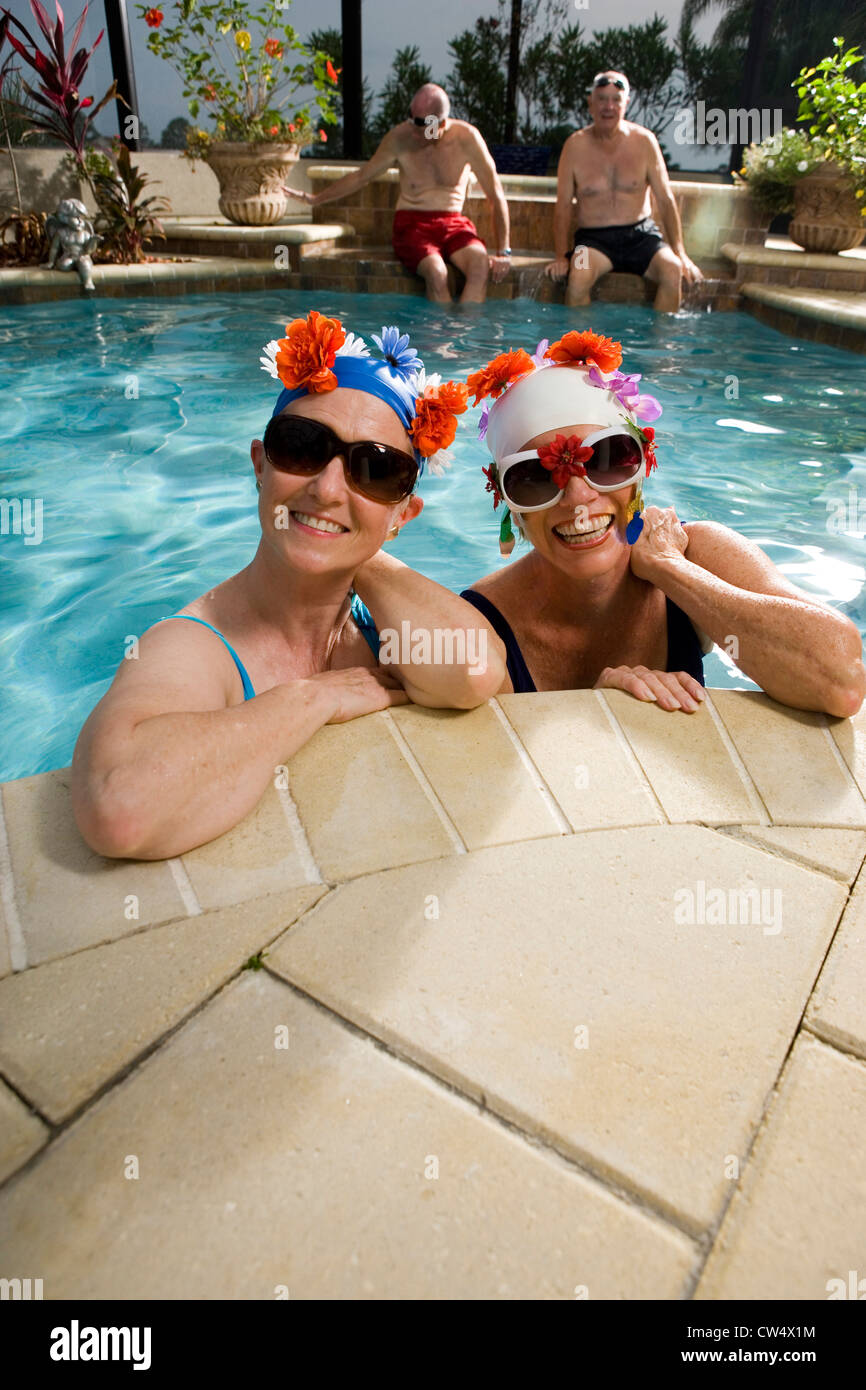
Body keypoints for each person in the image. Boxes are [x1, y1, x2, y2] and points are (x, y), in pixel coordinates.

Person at [71, 311, 505, 861]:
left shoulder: (385, 624)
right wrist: (312, 697)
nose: (326, 488)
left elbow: (475, 672)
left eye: (374, 471)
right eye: (303, 447)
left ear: (404, 515)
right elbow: (121, 809)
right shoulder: (193, 646)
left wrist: (357, 547)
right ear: (260, 464)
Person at [459, 329, 866, 716]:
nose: (580, 498)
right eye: (535, 478)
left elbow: (841, 681)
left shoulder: (694, 553)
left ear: (642, 466)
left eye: (607, 459)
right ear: (508, 504)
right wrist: (591, 715)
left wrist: (670, 569)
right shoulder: (483, 626)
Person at [285, 84, 512, 304]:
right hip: (413, 225)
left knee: (480, 265)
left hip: (453, 223)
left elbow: (496, 194)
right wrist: (315, 199)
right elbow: (361, 177)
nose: (414, 134)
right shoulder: (399, 138)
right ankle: (442, 342)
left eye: (422, 127)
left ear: (441, 123)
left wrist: (504, 251)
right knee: (437, 273)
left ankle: (465, 340)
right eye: (412, 123)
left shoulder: (467, 139)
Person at [544, 71, 703, 313]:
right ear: (591, 103)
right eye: (602, 99)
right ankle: (582, 350)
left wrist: (680, 252)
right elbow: (563, 205)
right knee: (577, 277)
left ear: (625, 103)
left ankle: (661, 350)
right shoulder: (574, 146)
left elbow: (665, 198)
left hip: (641, 236)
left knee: (672, 270)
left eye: (616, 100)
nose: (608, 106)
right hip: (591, 241)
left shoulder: (645, 142)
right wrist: (560, 256)